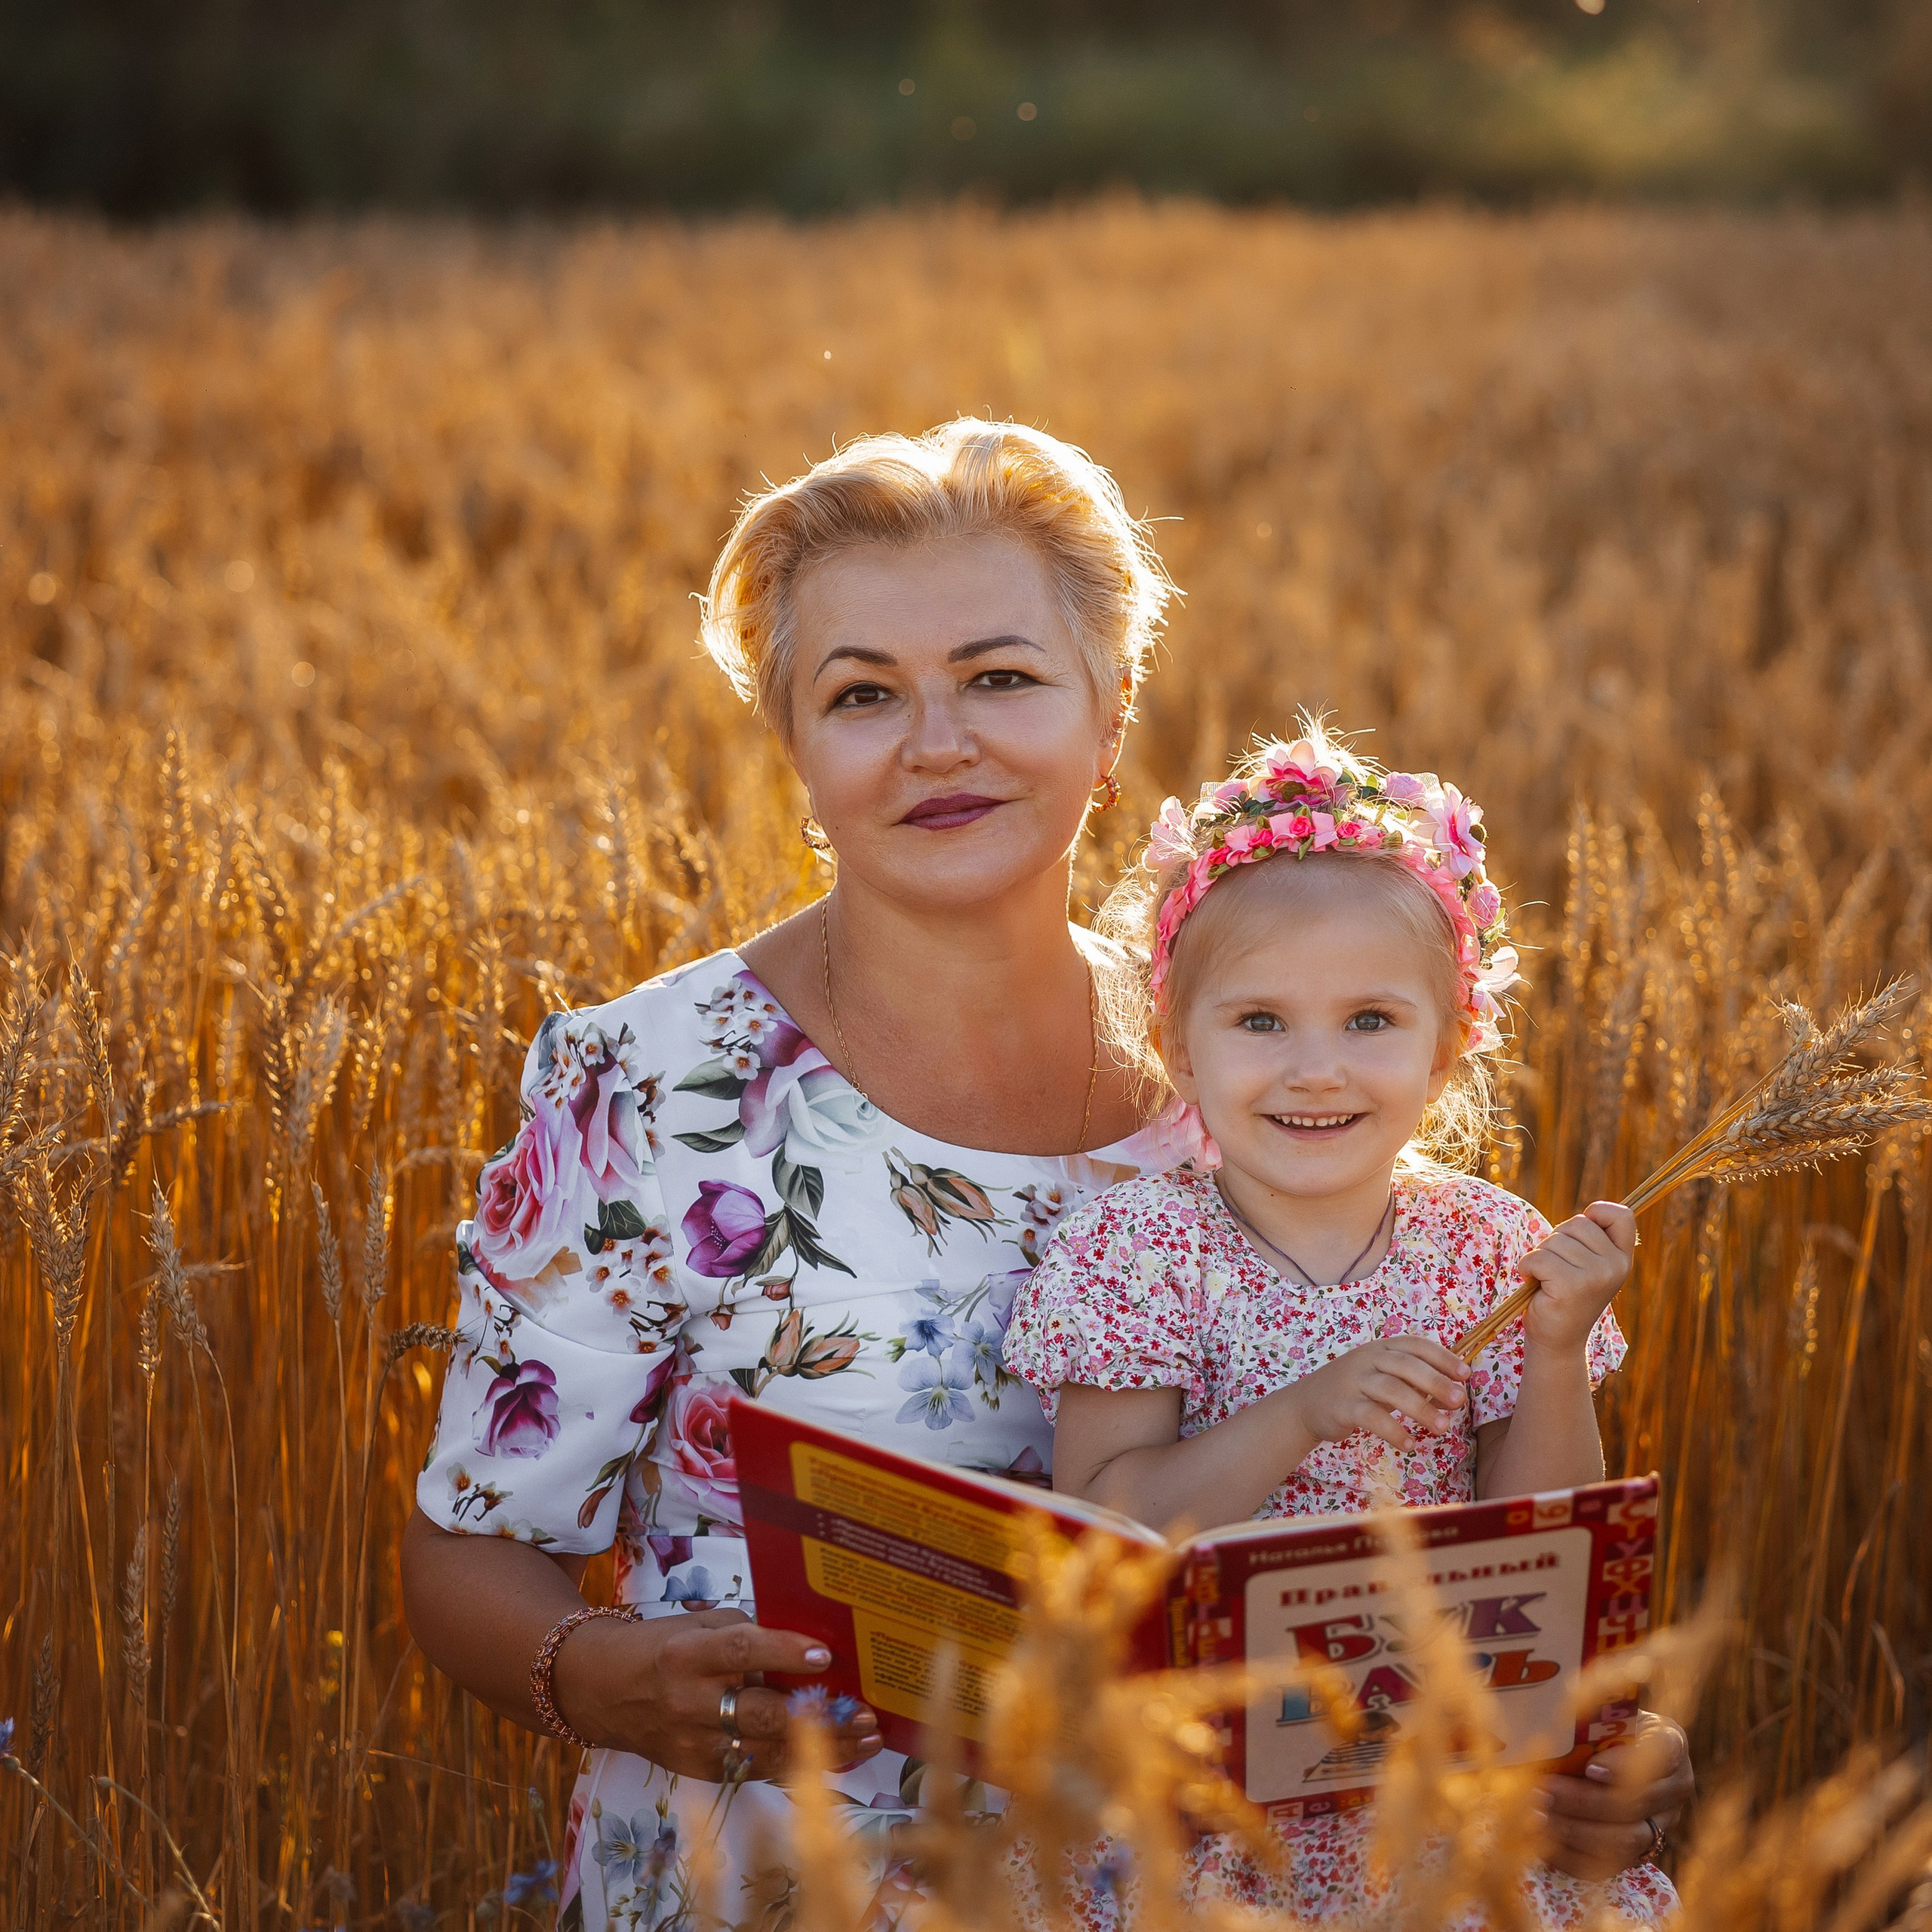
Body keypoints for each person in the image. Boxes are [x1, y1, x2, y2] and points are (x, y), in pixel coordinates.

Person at [398, 425, 1694, 1932]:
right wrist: (598, 1677)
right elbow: (470, 1547)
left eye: (999, 677)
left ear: (1110, 707)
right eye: (861, 693)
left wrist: (1591, 1749)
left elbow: (1450, 1534)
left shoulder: (1249, 1064)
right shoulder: (650, 1088)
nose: (935, 741)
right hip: (780, 1867)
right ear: (792, 742)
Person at [1002, 724, 1678, 1927]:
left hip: (1430, 1774)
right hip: (1197, 1788)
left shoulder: (1485, 1246)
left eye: (1371, 1021)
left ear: (1451, 1043)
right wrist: (1305, 1411)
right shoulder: (1142, 1248)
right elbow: (1102, 1541)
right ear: (1177, 1045)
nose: (1316, 1069)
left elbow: (1545, 1550)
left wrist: (1561, 1346)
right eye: (1260, 1022)